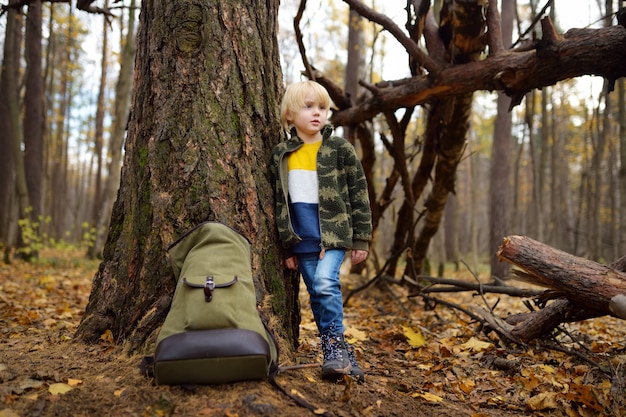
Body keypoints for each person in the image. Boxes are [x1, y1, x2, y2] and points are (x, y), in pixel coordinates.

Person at [270, 80, 372, 382]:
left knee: (326, 285)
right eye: (309, 106)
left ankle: (333, 349)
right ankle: (344, 355)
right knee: (316, 293)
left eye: (323, 108)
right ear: (289, 115)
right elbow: (279, 202)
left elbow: (359, 193)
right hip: (303, 241)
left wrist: (361, 238)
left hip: (335, 236)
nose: (318, 113)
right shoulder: (281, 155)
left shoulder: (339, 148)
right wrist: (287, 246)